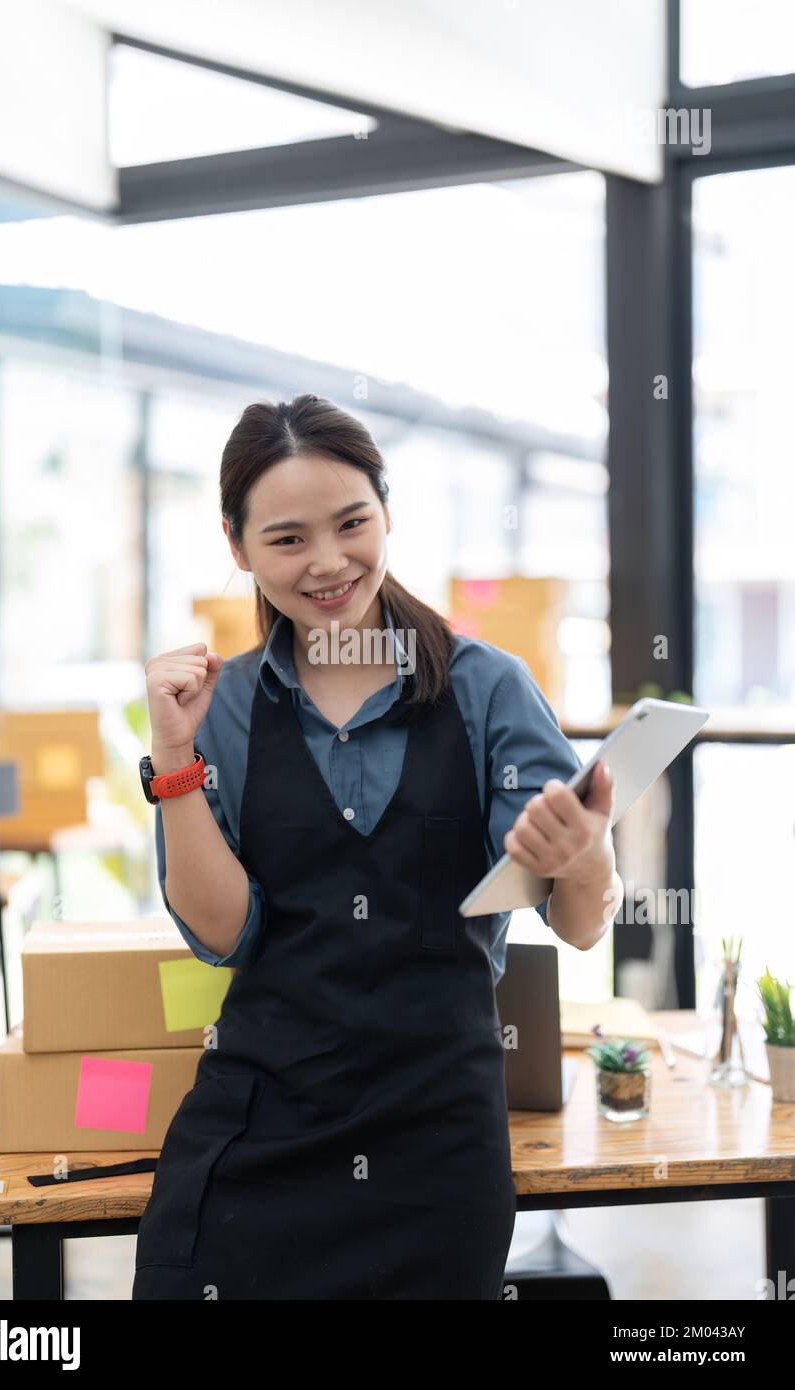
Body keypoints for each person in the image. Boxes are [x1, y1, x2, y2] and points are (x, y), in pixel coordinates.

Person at [132, 393, 623, 1301]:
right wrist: (173, 758)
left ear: (386, 513)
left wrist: (587, 857)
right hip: (255, 1137)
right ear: (238, 548)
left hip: (435, 1147)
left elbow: (583, 925)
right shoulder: (223, 705)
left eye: (352, 522)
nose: (328, 563)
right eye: (286, 540)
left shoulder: (487, 692)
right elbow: (221, 934)